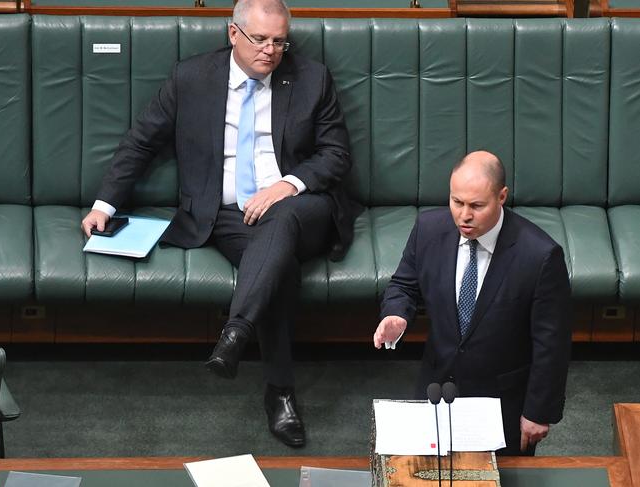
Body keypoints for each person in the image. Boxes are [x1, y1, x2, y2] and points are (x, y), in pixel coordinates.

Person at [81, 0, 355, 448]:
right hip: (227, 216)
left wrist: (287, 184)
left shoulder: (311, 78)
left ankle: (236, 331)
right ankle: (279, 392)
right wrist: (104, 206)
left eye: (279, 41)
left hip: (305, 208)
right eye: (260, 39)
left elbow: (336, 155)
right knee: (277, 265)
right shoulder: (191, 78)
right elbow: (141, 142)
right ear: (233, 34)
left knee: (282, 221)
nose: (271, 50)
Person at [372, 151, 571, 456]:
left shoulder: (540, 256)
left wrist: (538, 411)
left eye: (477, 206)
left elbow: (551, 343)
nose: (464, 215)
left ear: (501, 196)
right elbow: (404, 285)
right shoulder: (428, 230)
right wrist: (396, 314)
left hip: (501, 403)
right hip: (437, 388)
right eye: (457, 202)